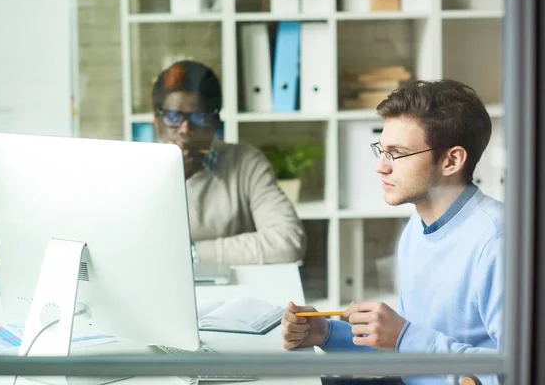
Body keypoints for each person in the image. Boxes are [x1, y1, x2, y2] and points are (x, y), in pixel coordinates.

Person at [281, 80, 503, 385]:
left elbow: (522, 368)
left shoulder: (499, 245)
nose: (381, 167)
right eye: (382, 151)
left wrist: (405, 336)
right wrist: (326, 332)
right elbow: (405, 345)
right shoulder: (419, 226)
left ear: (451, 160)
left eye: (397, 154)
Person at [151, 60, 306, 265]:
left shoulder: (246, 163)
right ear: (156, 121)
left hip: (236, 289)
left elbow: (288, 241)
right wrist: (169, 181)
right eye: (173, 116)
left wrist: (192, 254)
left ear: (216, 122)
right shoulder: (137, 169)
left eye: (199, 117)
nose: (185, 129)